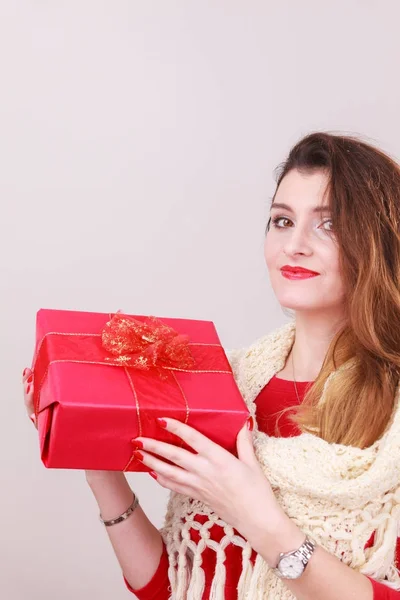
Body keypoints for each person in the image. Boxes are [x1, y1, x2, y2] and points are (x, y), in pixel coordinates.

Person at [23, 132, 400, 599]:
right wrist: (94, 455)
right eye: (281, 221)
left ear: (377, 241)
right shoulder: (226, 386)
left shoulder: (393, 416)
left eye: (328, 225)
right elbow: (173, 584)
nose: (295, 244)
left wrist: (260, 521)